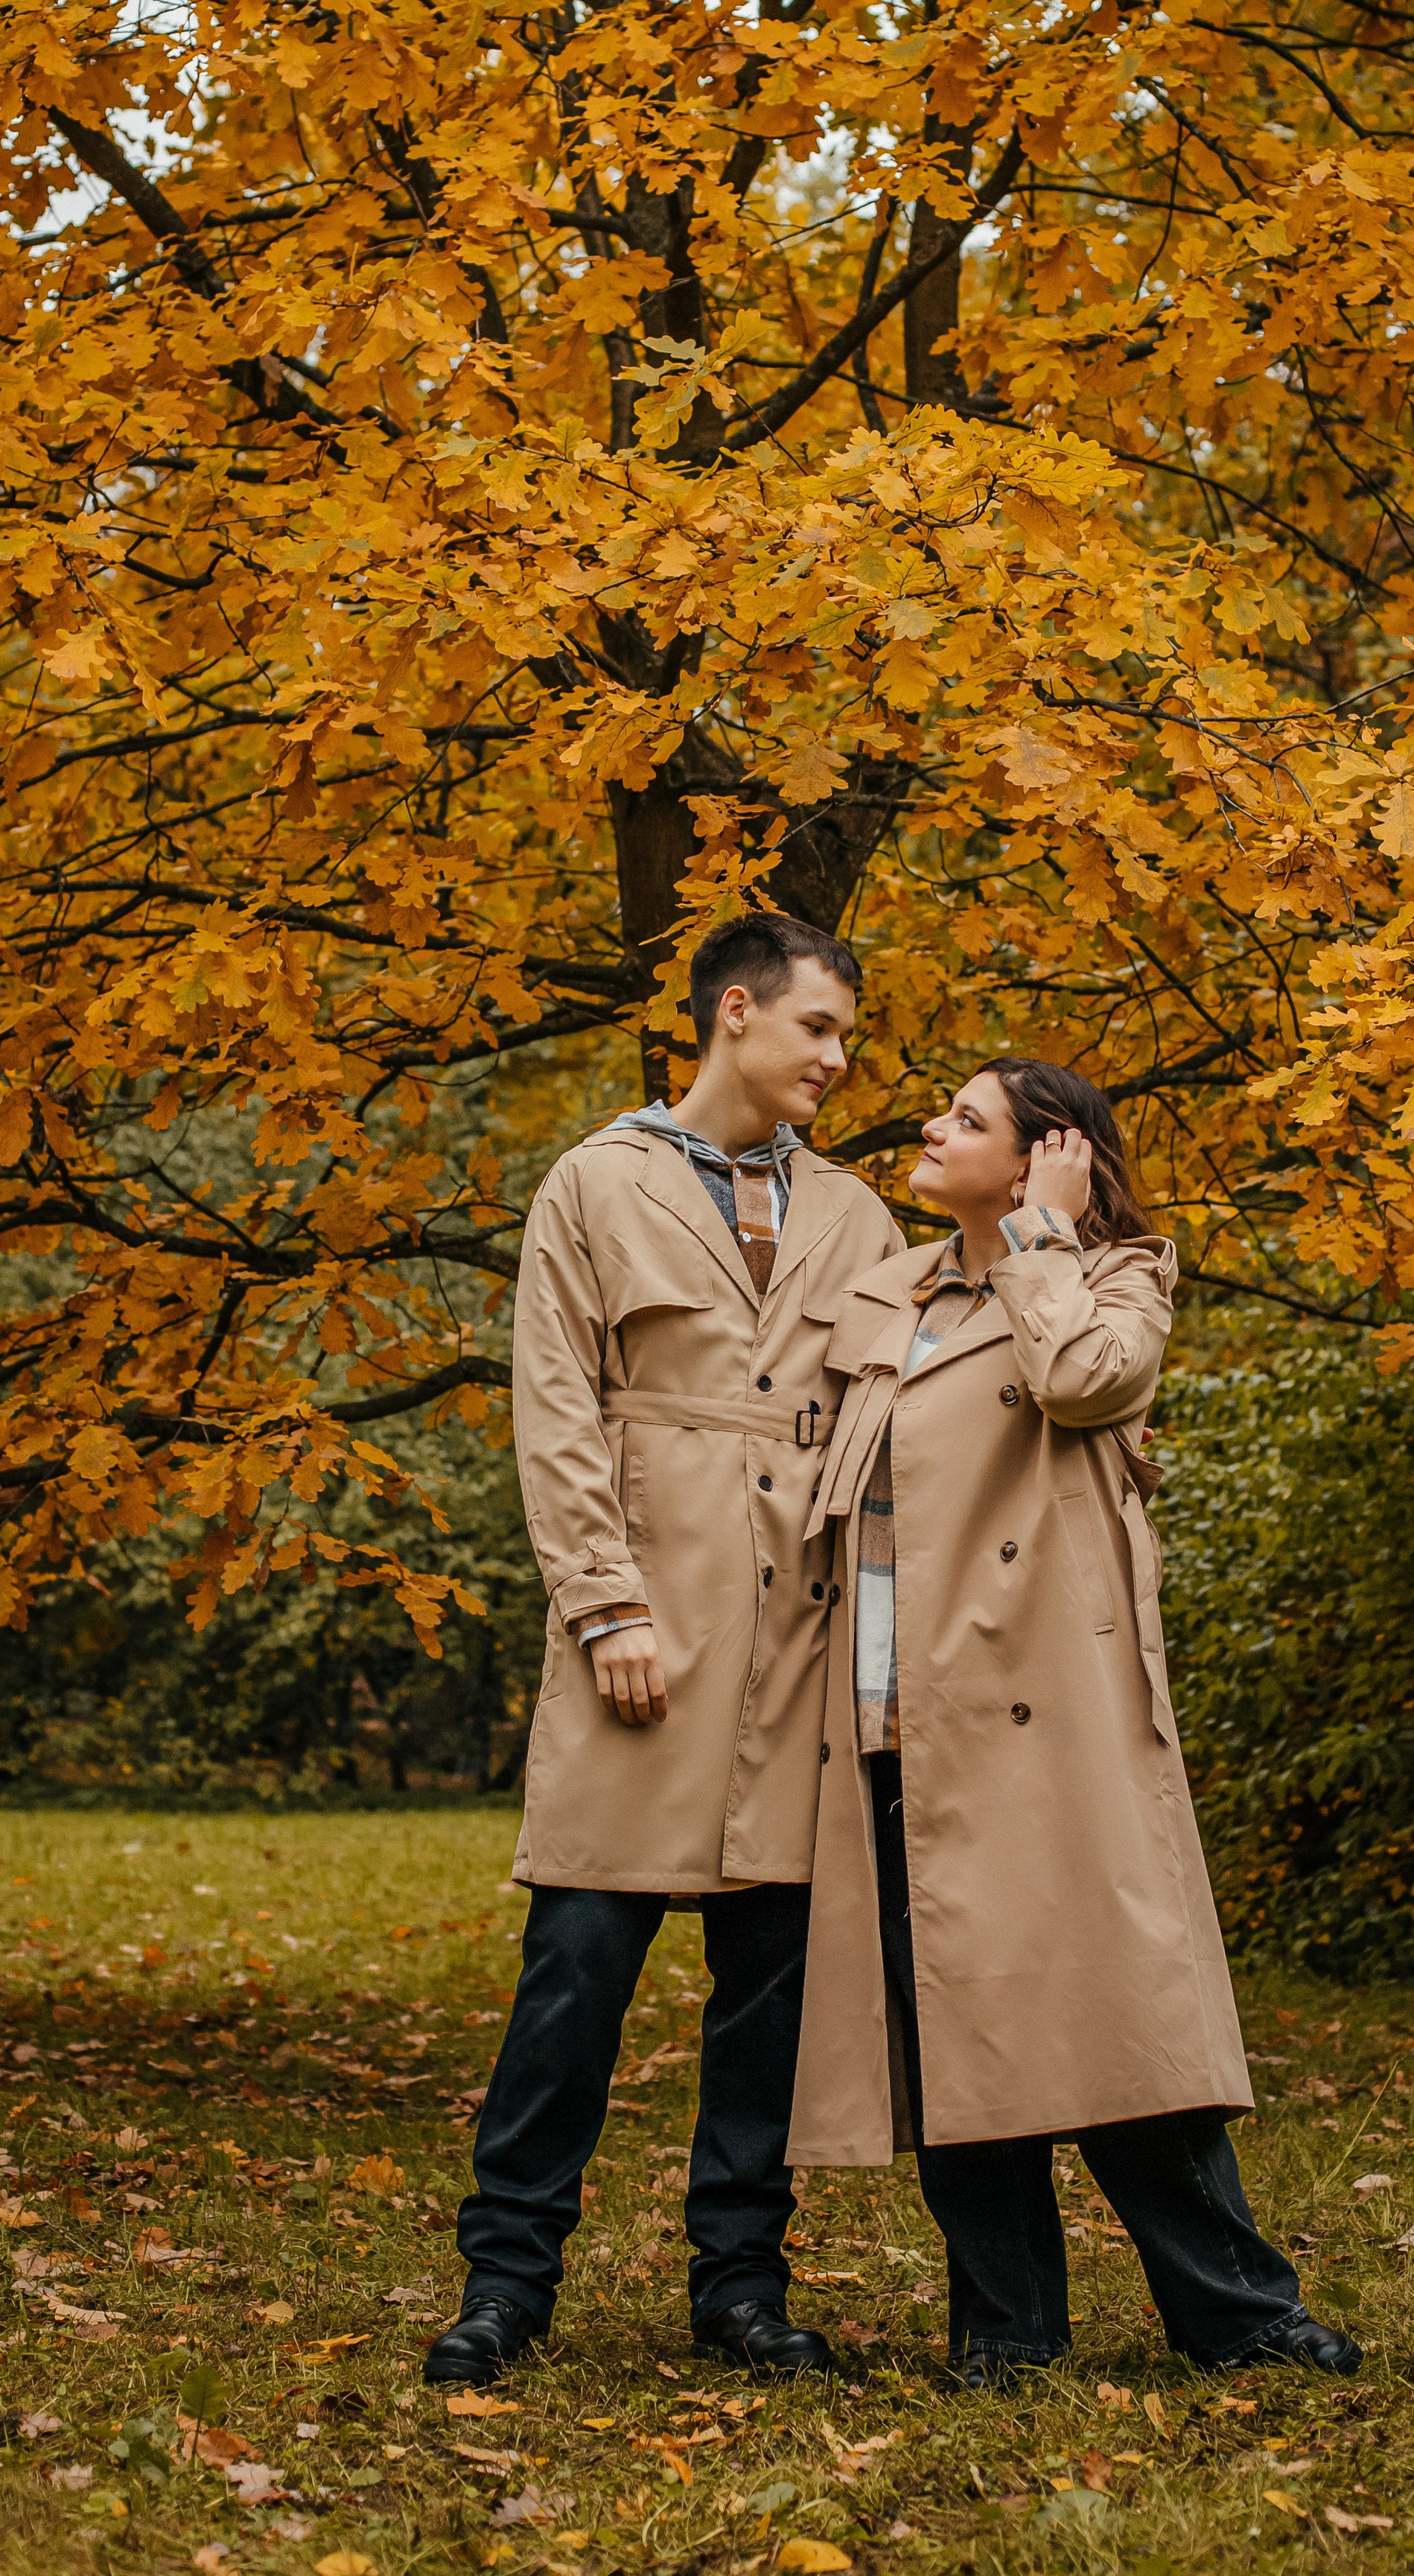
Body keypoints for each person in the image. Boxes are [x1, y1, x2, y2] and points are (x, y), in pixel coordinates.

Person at [783, 1058, 1361, 2385]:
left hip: (1041, 1726)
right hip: (893, 1711)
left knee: (1114, 2034)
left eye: (968, 1120)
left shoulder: (1115, 1278)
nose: (933, 1128)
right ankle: (1007, 2334)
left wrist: (1044, 1238)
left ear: (1050, 1155)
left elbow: (1089, 1386)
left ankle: (1238, 2313)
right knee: (960, 2049)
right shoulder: (894, 1294)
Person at [424, 913, 903, 2387]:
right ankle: (506, 2284)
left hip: (808, 1656)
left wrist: (882, 1674)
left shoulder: (859, 1218)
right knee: (572, 1978)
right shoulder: (595, 1185)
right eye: (817, 1029)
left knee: (769, 1994)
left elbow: (895, 1454)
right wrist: (606, 1609)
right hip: (648, 1637)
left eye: (845, 1037)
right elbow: (554, 1416)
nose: (836, 1059)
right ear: (735, 1015)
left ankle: (739, 2289)